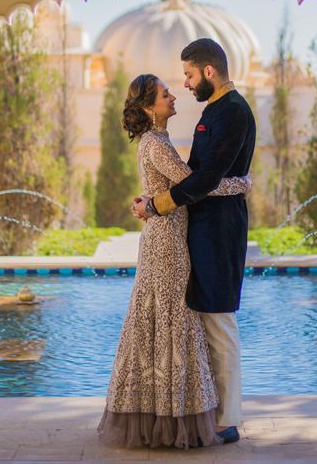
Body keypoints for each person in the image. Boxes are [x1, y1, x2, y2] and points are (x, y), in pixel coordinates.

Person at [97, 72, 251, 449]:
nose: (173, 96)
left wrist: (148, 201)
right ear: (150, 107)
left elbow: (170, 187)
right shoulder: (156, 144)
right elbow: (193, 184)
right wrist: (241, 183)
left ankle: (165, 412)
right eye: (166, 94)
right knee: (172, 321)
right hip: (166, 243)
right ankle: (173, 417)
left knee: (165, 322)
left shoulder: (157, 141)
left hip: (166, 237)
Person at [133, 38, 257, 446]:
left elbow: (202, 180)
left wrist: (157, 205)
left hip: (220, 231)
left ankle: (227, 419)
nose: (184, 84)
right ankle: (207, 412)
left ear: (208, 71)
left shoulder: (233, 112)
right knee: (203, 321)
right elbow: (201, 176)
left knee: (219, 320)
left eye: (188, 75)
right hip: (200, 230)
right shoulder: (215, 112)